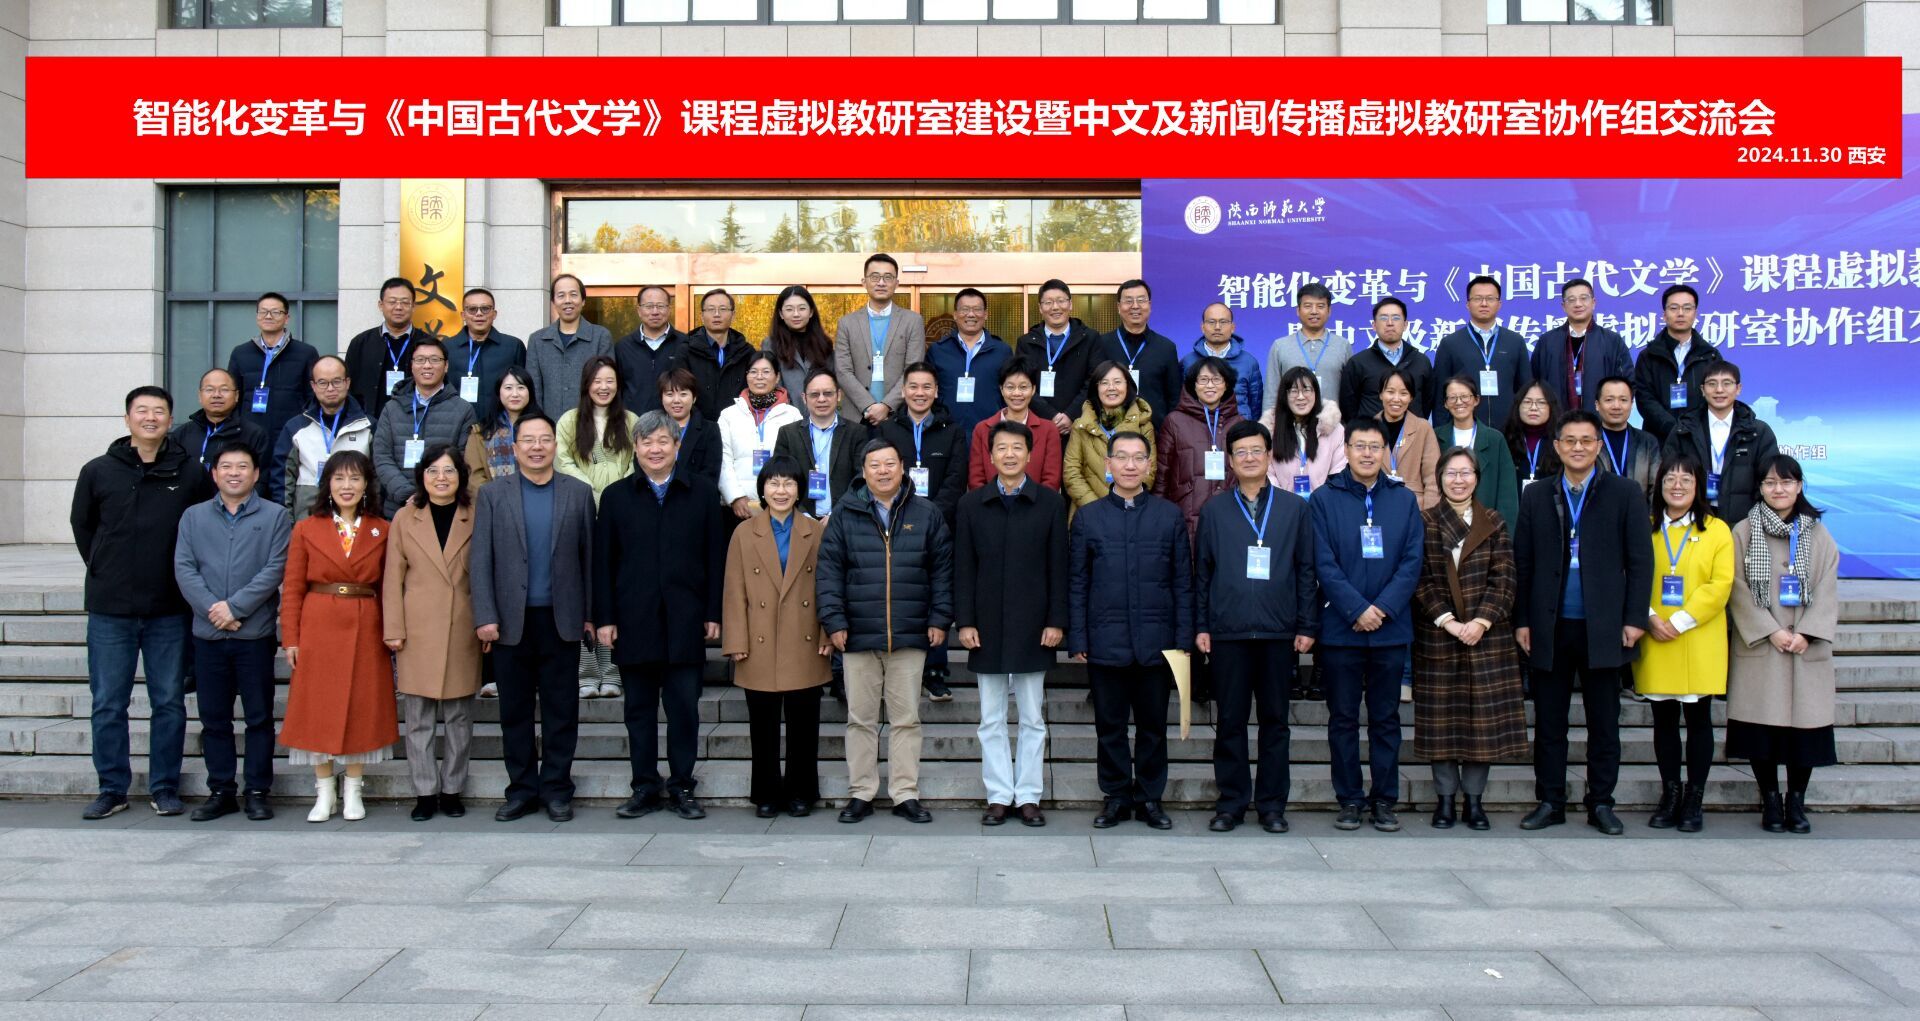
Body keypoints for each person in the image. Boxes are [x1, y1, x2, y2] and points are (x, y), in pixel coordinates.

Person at [71, 386, 213, 820]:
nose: (150, 418)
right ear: (127, 418)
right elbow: (83, 526)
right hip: (110, 607)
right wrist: (104, 565)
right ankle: (111, 788)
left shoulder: (190, 472)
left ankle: (164, 786)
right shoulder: (98, 470)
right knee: (107, 702)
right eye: (142, 411)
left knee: (168, 701)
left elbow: (201, 529)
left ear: (170, 420)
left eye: (159, 411)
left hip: (168, 607)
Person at [1513, 409, 1654, 835]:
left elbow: (1641, 561)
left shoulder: (1625, 492)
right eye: (1570, 440)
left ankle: (1602, 803)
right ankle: (1550, 801)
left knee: (1604, 723)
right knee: (1549, 723)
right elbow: (1524, 562)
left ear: (1598, 446)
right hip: (1551, 625)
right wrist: (1523, 620)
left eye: (1586, 440)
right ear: (1557, 446)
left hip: (1604, 627)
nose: (1578, 447)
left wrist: (1635, 618)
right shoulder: (1537, 494)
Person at [596, 411, 728, 822]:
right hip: (633, 621)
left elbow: (715, 557)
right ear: (635, 448)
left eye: (663, 442)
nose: (655, 449)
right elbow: (603, 563)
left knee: (684, 709)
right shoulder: (616, 497)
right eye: (646, 442)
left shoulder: (702, 493)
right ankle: (644, 787)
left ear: (677, 446)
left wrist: (713, 611)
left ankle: (683, 785)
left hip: (685, 620)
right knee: (638, 710)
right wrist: (605, 617)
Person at [817, 439, 954, 825]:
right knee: (860, 719)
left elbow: (942, 571)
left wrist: (939, 618)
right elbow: (829, 572)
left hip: (910, 633)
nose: (883, 471)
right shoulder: (845, 514)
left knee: (906, 719)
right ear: (863, 472)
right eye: (874, 465)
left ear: (902, 467)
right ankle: (861, 792)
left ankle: (904, 793)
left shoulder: (926, 513)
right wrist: (834, 621)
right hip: (858, 635)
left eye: (890, 464)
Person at [471, 412, 597, 823]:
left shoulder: (578, 493)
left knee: (562, 711)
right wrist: (485, 615)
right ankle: (521, 790)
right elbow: (480, 560)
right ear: (514, 447)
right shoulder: (493, 495)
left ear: (555, 445)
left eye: (544, 439)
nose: (537, 447)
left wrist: (590, 615)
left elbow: (589, 559)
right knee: (515, 713)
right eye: (528, 440)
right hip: (510, 622)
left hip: (562, 620)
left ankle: (557, 789)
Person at [1194, 420, 1317, 834]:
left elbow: (1306, 571)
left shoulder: (1295, 509)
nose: (1248, 458)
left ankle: (1271, 806)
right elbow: (1202, 573)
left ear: (1269, 456)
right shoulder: (1214, 510)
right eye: (1240, 452)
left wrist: (1307, 624)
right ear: (1230, 460)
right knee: (1229, 721)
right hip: (1227, 632)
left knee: (1275, 722)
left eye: (1256, 451)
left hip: (1277, 633)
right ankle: (1231, 803)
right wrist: (1201, 625)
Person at [1069, 430, 1192, 831]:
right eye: (1121, 457)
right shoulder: (1088, 517)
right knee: (1110, 727)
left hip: (1157, 643)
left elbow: (1182, 582)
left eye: (1138, 457)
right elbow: (1078, 583)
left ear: (1149, 465)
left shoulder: (1168, 516)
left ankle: (1150, 798)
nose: (1129, 465)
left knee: (1153, 727)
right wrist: (1078, 637)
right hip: (1106, 641)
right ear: (1108, 465)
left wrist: (1184, 639)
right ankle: (1116, 796)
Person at [1308, 419, 1423, 832]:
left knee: (1386, 719)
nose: (1368, 454)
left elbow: (1412, 561)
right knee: (1342, 719)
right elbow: (1323, 562)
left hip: (1391, 630)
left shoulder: (1403, 500)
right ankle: (1350, 799)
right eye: (1360, 446)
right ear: (1347, 450)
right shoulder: (1324, 499)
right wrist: (1357, 609)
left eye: (1375, 446)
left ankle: (1384, 800)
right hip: (1342, 630)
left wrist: (1383, 608)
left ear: (1385, 451)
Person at [955, 420, 1069, 828]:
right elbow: (964, 567)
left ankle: (1030, 796)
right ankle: (999, 795)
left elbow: (1059, 566)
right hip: (985, 624)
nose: (1009, 454)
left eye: (1017, 448)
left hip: (1034, 624)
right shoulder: (971, 505)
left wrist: (1056, 620)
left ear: (1030, 454)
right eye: (1001, 448)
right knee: (991, 718)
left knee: (1033, 717)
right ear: (990, 455)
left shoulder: (1050, 503)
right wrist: (964, 620)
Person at [1410, 447, 1529, 831]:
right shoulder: (1425, 521)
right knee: (1441, 723)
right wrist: (1448, 621)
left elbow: (1505, 577)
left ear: (1477, 478)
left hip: (1487, 636)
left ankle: (1474, 801)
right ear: (1440, 478)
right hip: (1439, 634)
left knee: (1482, 724)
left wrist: (1481, 621)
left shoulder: (1494, 521)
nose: (1458, 480)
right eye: (1451, 473)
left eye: (1466, 473)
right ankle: (1445, 800)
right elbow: (1420, 578)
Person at [172, 442, 290, 822]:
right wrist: (214, 610)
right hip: (208, 635)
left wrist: (234, 608)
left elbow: (275, 568)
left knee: (258, 717)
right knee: (214, 719)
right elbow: (184, 568)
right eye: (226, 466)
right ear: (214, 473)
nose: (234, 473)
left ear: (256, 474)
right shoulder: (193, 517)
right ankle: (221, 790)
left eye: (242, 467)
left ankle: (257, 791)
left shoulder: (275, 516)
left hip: (253, 634)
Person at [277, 450, 394, 824]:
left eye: (355, 478)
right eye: (339, 478)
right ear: (327, 484)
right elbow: (293, 587)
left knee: (362, 705)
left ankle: (354, 789)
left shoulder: (382, 529)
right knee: (318, 707)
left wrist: (392, 631)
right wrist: (291, 638)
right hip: (319, 623)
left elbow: (390, 586)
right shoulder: (306, 529)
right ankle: (324, 790)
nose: (347, 486)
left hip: (366, 622)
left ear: (366, 485)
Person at [1727, 454, 1839, 834]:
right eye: (1771, 482)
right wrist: (1770, 629)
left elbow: (1828, 587)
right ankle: (1771, 799)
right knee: (1762, 733)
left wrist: (1807, 632)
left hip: (1805, 648)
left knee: (1804, 733)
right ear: (1760, 487)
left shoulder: (1817, 534)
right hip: (1764, 646)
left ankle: (1796, 802)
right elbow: (1736, 588)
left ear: (1799, 486)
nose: (1779, 489)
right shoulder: (1744, 531)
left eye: (1786, 482)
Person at [722, 456, 832, 818]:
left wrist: (827, 632)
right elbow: (734, 590)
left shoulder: (815, 531)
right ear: (762, 490)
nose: (781, 491)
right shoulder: (743, 533)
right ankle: (766, 793)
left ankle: (802, 791)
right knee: (763, 725)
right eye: (773, 483)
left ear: (800, 490)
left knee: (804, 724)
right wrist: (736, 640)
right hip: (759, 639)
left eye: (788, 483)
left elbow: (827, 587)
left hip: (805, 638)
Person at [1633, 451, 1735, 833]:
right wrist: (1648, 617)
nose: (1677, 486)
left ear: (1699, 487)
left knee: (1698, 719)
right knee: (1663, 720)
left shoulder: (1717, 530)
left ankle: (1694, 797)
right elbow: (1631, 572)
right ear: (1659, 485)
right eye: (1670, 479)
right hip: (1654, 633)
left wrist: (1679, 620)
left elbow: (1720, 585)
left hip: (1698, 635)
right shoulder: (1644, 527)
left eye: (1686, 480)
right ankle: (1670, 793)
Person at [382, 444, 483, 823]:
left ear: (461, 476)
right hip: (417, 630)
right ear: (421, 476)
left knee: (459, 718)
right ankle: (424, 792)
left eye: (449, 470)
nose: (441, 478)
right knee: (419, 719)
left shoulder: (476, 515)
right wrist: (393, 628)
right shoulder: (405, 518)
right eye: (433, 471)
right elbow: (392, 578)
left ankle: (452, 789)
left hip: (462, 627)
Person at [1661, 360, 1781, 525]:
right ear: (1702, 390)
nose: (1719, 390)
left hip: (1744, 523)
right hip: (1692, 521)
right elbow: (1667, 476)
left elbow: (1770, 479)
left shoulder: (1758, 432)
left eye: (1727, 383)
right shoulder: (1683, 430)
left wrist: (1754, 522)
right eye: (1712, 384)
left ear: (1738, 389)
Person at [372, 337, 478, 507]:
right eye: (420, 360)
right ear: (412, 365)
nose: (427, 365)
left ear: (446, 366)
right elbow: (382, 456)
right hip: (399, 506)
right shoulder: (392, 408)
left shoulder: (463, 410)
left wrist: (436, 494)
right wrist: (406, 494)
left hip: (444, 505)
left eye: (434, 360)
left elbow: (464, 461)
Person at [834, 254, 928, 428]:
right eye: (875, 277)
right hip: (856, 417)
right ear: (864, 282)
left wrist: (887, 405)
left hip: (898, 416)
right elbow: (843, 371)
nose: (881, 283)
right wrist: (868, 405)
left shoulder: (912, 321)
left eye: (888, 277)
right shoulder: (847, 323)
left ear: (896, 283)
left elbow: (913, 369)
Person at [1155, 355, 1244, 538]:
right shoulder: (1174, 421)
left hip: (1230, 514)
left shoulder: (1239, 423)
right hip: (1185, 515)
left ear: (1226, 384)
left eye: (1216, 379)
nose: (1210, 385)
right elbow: (1162, 474)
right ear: (1193, 385)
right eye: (1203, 379)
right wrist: (1157, 515)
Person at [277, 355, 374, 519]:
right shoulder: (295, 428)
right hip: (307, 518)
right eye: (323, 383)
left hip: (357, 520)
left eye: (336, 381)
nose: (330, 388)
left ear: (347, 383)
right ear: (313, 386)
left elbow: (377, 479)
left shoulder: (368, 426)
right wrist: (288, 522)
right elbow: (282, 480)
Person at [1430, 275, 1532, 429]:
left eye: (1490, 298)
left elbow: (1525, 390)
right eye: (1477, 298)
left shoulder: (1515, 341)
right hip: (1463, 430)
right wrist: (1442, 433)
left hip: (1509, 431)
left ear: (1499, 304)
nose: (1484, 303)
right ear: (1468, 304)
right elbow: (1440, 396)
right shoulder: (1450, 344)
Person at [227, 291, 321, 454]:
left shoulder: (306, 353)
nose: (268, 316)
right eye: (263, 311)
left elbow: (312, 397)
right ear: (257, 317)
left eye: (276, 312)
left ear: (287, 318)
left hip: (292, 435)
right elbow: (233, 397)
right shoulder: (240, 353)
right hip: (250, 436)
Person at [720, 350, 805, 524]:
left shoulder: (792, 415)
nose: (759, 377)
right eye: (753, 372)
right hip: (737, 509)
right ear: (746, 376)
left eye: (766, 372)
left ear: (777, 377)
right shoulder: (729, 415)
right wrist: (735, 497)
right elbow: (723, 459)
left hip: (780, 505)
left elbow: (798, 461)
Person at [1633, 283, 1724, 443]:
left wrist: (1692, 428)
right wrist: (1673, 428)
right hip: (1659, 440)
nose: (1680, 313)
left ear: (1695, 313)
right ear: (1664, 314)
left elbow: (1717, 395)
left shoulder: (1710, 356)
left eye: (1687, 308)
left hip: (1700, 439)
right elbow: (1645, 399)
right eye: (1674, 308)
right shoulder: (1648, 356)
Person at [1015, 278, 1105, 440]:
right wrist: (1051, 416)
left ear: (1070, 304)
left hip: (1081, 426)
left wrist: (1071, 415)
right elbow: (1023, 384)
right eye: (1048, 302)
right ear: (1040, 308)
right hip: (1039, 426)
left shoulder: (1090, 338)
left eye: (1061, 301)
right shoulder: (1026, 342)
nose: (1055, 307)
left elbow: (1094, 381)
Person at [774, 367, 867, 519]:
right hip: (799, 520)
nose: (822, 399)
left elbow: (861, 480)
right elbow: (781, 478)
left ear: (839, 395)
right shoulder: (788, 434)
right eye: (814, 394)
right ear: (804, 398)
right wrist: (803, 515)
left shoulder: (857, 433)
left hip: (844, 519)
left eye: (828, 393)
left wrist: (837, 515)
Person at [1063, 360, 1156, 513]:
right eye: (1104, 383)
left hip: (1130, 512)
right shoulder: (1081, 425)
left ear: (1128, 386)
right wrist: (1098, 509)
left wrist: (1122, 504)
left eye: (1117, 382)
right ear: (1096, 388)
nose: (1111, 388)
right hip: (1089, 513)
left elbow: (1148, 472)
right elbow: (1071, 473)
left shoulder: (1143, 425)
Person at [1531, 278, 1631, 413]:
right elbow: (1534, 383)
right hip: (1555, 420)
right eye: (1571, 300)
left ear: (1593, 303)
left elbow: (1626, 383)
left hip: (1600, 420)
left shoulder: (1612, 341)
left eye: (1584, 298)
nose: (1578, 304)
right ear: (1563, 306)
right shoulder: (1547, 342)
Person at [927, 287, 1013, 442]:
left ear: (986, 314)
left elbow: (1010, 392)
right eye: (965, 309)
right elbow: (929, 391)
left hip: (991, 434)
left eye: (977, 309)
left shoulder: (1002, 351)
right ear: (955, 314)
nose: (971, 314)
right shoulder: (938, 350)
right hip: (945, 433)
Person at [1435, 375, 1519, 530]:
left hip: (1486, 528)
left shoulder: (1495, 439)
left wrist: (1504, 536)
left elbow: (1507, 495)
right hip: (1445, 527)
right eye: (1452, 398)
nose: (1459, 402)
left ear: (1476, 400)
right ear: (1445, 404)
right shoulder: (1435, 437)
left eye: (1465, 396)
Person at [526, 273, 614, 419]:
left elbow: (606, 385)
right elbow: (534, 388)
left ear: (583, 300)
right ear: (553, 302)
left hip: (589, 423)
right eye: (561, 295)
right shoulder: (537, 340)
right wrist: (539, 423)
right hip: (549, 424)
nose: (568, 300)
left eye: (573, 295)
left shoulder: (600, 337)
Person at [556, 355, 640, 506]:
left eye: (610, 381)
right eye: (597, 381)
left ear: (618, 384)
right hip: (582, 501)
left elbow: (638, 458)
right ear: (586, 384)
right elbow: (562, 461)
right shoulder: (569, 421)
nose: (604, 387)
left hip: (624, 501)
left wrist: (621, 489)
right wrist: (587, 489)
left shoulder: (631, 420)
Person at [342, 277, 430, 420]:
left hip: (415, 420)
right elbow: (348, 386)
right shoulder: (361, 343)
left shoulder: (428, 344)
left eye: (405, 302)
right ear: (381, 305)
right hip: (369, 422)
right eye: (392, 302)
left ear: (413, 306)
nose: (398, 307)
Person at [174, 368, 272, 496]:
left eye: (224, 390)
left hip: (237, 505)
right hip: (190, 506)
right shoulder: (182, 434)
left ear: (236, 396)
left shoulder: (254, 434)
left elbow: (261, 481)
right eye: (209, 390)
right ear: (200, 396)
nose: (216, 395)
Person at [968, 361, 1063, 491]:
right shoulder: (982, 429)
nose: (1017, 393)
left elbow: (1051, 480)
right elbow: (976, 480)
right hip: (990, 503)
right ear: (1001, 389)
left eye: (1023, 387)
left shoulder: (1049, 430)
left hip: (1037, 503)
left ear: (1033, 389)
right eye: (1010, 387)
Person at [1102, 279, 1183, 428]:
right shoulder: (1102, 344)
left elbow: (1174, 398)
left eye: (1141, 300)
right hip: (1111, 431)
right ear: (1119, 307)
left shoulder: (1166, 347)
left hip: (1155, 431)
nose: (1135, 306)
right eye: (1128, 301)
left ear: (1149, 305)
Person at [1340, 297, 1432, 425]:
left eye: (1396, 318)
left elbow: (1427, 402)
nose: (1390, 323)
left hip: (1412, 434)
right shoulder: (1358, 363)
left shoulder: (1421, 361)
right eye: (1383, 318)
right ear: (1374, 325)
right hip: (1371, 435)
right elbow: (1348, 407)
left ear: (1405, 325)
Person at [1259, 366, 1347, 499]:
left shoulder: (1335, 429)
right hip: (1282, 506)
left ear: (1316, 393)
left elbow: (1339, 472)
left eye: (1306, 390)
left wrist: (1321, 501)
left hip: (1324, 505)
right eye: (1294, 391)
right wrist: (1284, 502)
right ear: (1284, 395)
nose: (1300, 397)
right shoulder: (1269, 430)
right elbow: (1267, 473)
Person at [1263, 282, 1347, 418]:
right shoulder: (1280, 346)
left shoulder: (1342, 345)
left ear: (1329, 311)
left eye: (1320, 306)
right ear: (1298, 310)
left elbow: (1349, 393)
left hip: (1332, 425)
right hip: (1290, 424)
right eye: (1308, 306)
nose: (1314, 311)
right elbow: (1271, 393)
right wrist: (1269, 423)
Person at [445, 286, 527, 425]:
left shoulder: (513, 346)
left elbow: (525, 388)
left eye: (485, 309)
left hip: (502, 426)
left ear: (494, 314)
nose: (479, 314)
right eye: (472, 309)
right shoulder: (448, 347)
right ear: (463, 315)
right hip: (457, 425)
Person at [678, 287, 752, 423]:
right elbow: (680, 392)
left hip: (736, 425)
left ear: (733, 315)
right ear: (702, 316)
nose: (717, 314)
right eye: (711, 309)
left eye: (723, 309)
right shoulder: (686, 350)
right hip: (697, 426)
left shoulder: (746, 352)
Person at [612, 284, 687, 416]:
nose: (655, 311)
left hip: (674, 422)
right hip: (633, 422)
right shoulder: (623, 347)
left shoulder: (685, 344)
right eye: (649, 306)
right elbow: (617, 389)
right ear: (639, 310)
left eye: (660, 306)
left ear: (669, 309)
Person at [464, 365, 541, 490]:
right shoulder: (480, 431)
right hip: (493, 499)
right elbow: (475, 477)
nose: (515, 394)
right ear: (498, 392)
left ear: (530, 392)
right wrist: (496, 498)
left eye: (521, 387)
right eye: (508, 388)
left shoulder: (543, 428)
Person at [1186, 302, 1263, 421]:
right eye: (1211, 322)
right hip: (1198, 427)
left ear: (1232, 327)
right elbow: (1182, 401)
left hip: (1239, 428)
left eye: (1223, 322)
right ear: (1202, 327)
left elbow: (1256, 405)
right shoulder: (1188, 362)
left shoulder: (1249, 362)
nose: (1217, 327)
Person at [1376, 368, 1440, 511]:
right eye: (1390, 392)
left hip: (1415, 507)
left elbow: (1433, 478)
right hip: (1376, 506)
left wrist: (1429, 515)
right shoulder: (1369, 428)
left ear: (1411, 397)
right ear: (1380, 394)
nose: (1396, 399)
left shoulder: (1423, 428)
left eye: (1403, 393)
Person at [765, 285, 836, 409]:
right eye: (789, 309)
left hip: (822, 413)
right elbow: (771, 384)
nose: (796, 314)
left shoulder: (824, 344)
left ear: (811, 312)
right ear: (781, 313)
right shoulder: (771, 344)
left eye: (802, 308)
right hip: (786, 414)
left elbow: (832, 382)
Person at [1594, 375, 1659, 502]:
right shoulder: (1588, 442)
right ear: (1597, 405)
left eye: (1623, 400)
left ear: (1632, 404)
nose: (1616, 406)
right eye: (1609, 400)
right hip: (1600, 511)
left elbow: (1656, 489)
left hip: (1638, 511)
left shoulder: (1647, 442)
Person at [659, 366, 724, 490]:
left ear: (694, 398)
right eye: (669, 394)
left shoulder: (710, 430)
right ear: (661, 398)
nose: (676, 400)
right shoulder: (650, 428)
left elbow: (710, 474)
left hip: (694, 496)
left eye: (683, 394)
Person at [1504, 380, 1563, 494]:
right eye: (1527, 402)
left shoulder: (1562, 441)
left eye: (1541, 402)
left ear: (1551, 407)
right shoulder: (1505, 438)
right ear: (1518, 406)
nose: (1534, 408)